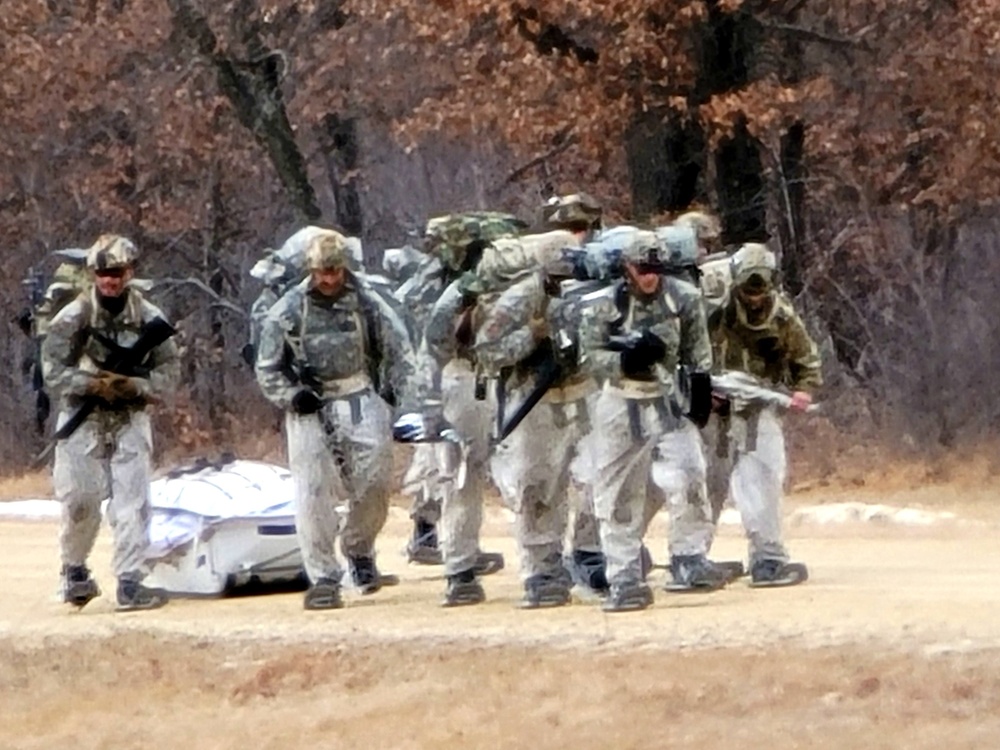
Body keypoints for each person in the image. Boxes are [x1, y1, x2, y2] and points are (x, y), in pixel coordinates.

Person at [255, 230, 414, 609]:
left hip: (359, 394)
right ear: (311, 270)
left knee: (375, 482)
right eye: (322, 271)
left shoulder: (368, 303)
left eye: (335, 270)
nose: (329, 279)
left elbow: (400, 350)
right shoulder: (289, 309)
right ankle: (323, 577)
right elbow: (267, 367)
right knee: (312, 491)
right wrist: (292, 395)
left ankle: (359, 547)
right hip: (309, 406)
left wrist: (406, 401)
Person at [581, 230, 718, 612]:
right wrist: (624, 359)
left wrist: (700, 390)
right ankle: (624, 577)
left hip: (668, 398)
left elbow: (697, 350)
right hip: (620, 399)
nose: (649, 276)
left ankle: (689, 557)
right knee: (619, 491)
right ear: (627, 267)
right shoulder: (605, 305)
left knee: (691, 473)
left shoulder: (683, 299)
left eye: (655, 268)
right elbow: (586, 357)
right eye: (642, 268)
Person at [42, 234, 180, 611]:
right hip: (82, 414)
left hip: (130, 415)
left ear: (129, 272)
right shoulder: (73, 317)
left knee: (133, 501)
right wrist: (91, 384)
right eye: (104, 273)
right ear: (94, 274)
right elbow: (52, 371)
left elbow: (170, 371)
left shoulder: (150, 318)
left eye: (117, 272)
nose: (111, 281)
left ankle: (131, 580)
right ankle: (74, 571)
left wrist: (134, 385)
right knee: (80, 499)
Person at [707, 242, 822, 586]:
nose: (754, 296)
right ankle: (691, 556)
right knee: (704, 484)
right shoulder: (713, 307)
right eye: (747, 288)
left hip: (759, 408)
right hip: (713, 407)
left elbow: (806, 359)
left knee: (763, 481)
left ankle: (767, 557)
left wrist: (803, 390)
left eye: (760, 288)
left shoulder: (781, 315)